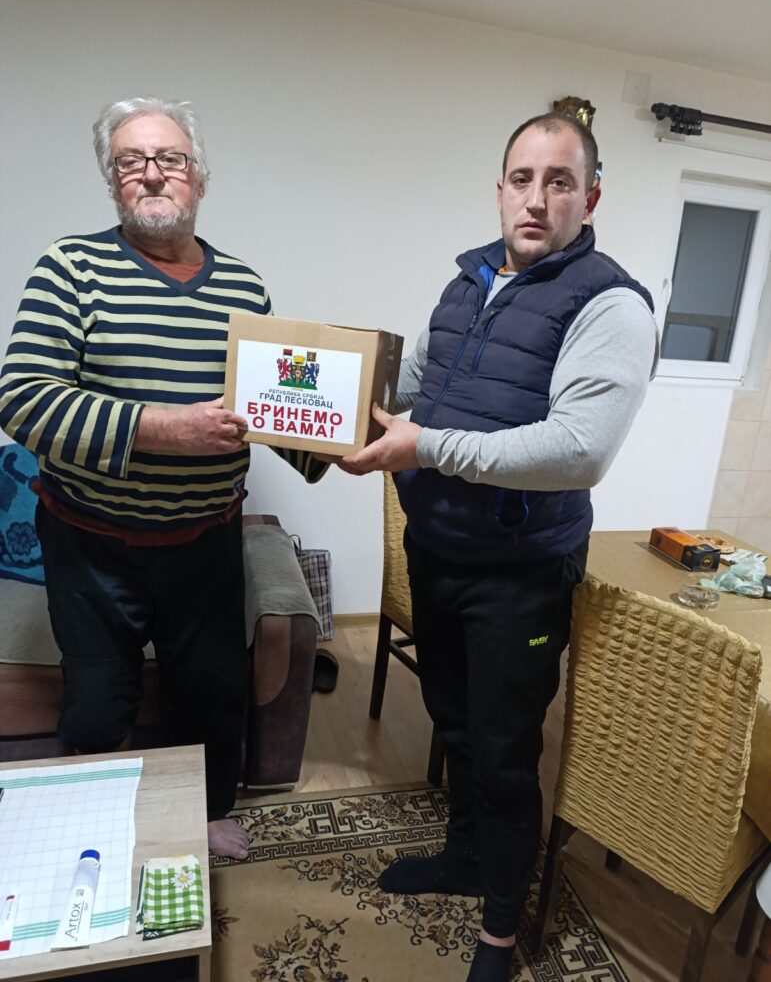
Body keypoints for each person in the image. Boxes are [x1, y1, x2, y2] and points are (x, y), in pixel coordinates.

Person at [342, 113, 659, 981]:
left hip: (518, 575)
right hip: (437, 551)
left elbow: (577, 450)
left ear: (589, 197)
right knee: (455, 724)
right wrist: (330, 413)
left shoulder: (610, 303)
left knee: (506, 753)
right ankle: (463, 859)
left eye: (560, 182)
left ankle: (499, 930)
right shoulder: (466, 282)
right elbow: (413, 386)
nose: (537, 198)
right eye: (522, 178)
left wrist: (423, 448)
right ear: (499, 189)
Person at [0, 96, 323, 860]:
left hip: (206, 543)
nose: (150, 173)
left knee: (210, 692)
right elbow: (22, 398)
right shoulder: (70, 267)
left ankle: (202, 816)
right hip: (90, 544)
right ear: (112, 182)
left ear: (198, 178)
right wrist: (162, 428)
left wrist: (333, 439)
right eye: (130, 162)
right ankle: (97, 821)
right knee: (96, 701)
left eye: (169, 159)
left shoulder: (244, 288)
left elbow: (269, 404)